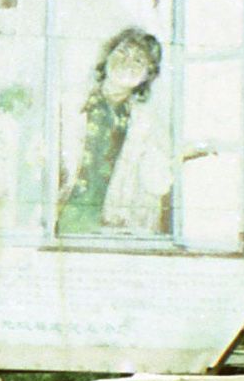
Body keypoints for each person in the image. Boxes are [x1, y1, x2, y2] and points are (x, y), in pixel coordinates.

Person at [55, 27, 175, 237]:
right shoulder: (68, 103)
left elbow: (157, 182)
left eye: (138, 60)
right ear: (107, 56)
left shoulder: (147, 124)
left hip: (114, 231)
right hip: (61, 223)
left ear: (149, 74)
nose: (127, 62)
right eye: (122, 52)